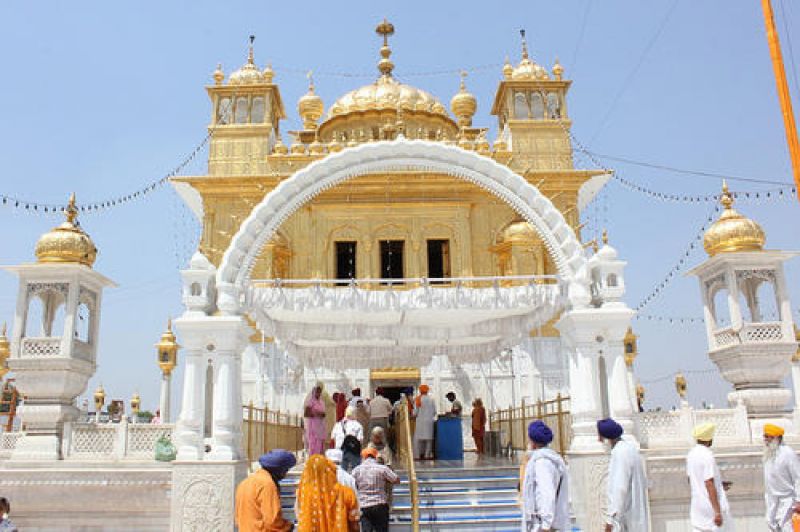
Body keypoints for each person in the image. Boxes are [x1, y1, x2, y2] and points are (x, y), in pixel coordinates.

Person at [596, 418, 649, 531]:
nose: (599, 440)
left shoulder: (620, 453)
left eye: (600, 437)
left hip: (625, 518)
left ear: (607, 437)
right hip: (634, 515)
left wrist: (610, 521)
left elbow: (619, 488)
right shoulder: (630, 449)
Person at [520, 420, 570, 532]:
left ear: (533, 441)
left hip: (543, 526)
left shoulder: (542, 462)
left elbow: (547, 493)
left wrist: (546, 525)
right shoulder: (546, 459)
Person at [235, 449, 296, 532]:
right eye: (286, 470)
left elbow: (238, 517)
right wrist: (288, 527)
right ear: (279, 470)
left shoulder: (246, 482)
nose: (285, 475)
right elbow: (272, 521)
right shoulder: (267, 485)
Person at [687, 422, 733, 531]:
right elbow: (709, 483)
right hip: (710, 508)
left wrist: (719, 486)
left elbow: (691, 480)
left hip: (698, 508)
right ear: (709, 439)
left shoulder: (691, 454)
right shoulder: (707, 455)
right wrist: (717, 512)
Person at [296, 454, 360, 532]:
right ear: (329, 470)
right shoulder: (346, 493)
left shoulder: (302, 495)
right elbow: (354, 522)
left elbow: (299, 516)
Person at [352, 447, 401, 532]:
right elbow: (396, 480)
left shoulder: (357, 470)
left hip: (364, 505)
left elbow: (351, 482)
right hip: (380, 504)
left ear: (363, 457)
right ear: (375, 456)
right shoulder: (382, 468)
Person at [762, 423, 800, 531]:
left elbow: (798, 477)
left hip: (787, 499)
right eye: (765, 436)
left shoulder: (788, 453)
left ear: (777, 438)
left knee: (786, 527)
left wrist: (798, 500)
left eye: (768, 437)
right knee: (771, 524)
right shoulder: (769, 454)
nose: (765, 439)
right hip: (771, 499)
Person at [333, 406, 365, 472]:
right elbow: (360, 440)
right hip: (352, 451)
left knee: (342, 471)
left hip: (339, 450)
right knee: (356, 469)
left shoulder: (338, 424)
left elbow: (333, 437)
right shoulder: (358, 425)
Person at [303, 382, 328, 456]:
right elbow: (306, 414)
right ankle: (313, 460)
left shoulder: (321, 402)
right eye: (317, 392)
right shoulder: (310, 402)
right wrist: (316, 414)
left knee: (320, 446)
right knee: (313, 445)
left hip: (320, 427)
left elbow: (323, 413)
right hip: (313, 427)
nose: (318, 394)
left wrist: (322, 414)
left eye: (319, 392)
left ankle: (319, 461)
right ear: (314, 392)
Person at [413, 384, 436, 460]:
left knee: (418, 439)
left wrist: (413, 415)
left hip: (420, 421)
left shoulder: (418, 399)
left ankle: (418, 456)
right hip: (429, 421)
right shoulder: (431, 399)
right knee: (429, 439)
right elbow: (434, 411)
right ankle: (427, 455)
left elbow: (415, 412)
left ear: (420, 391)